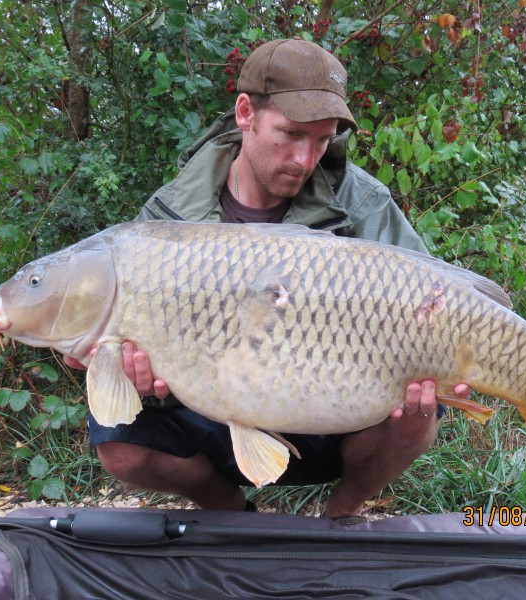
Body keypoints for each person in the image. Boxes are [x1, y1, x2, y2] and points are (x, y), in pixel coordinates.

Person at [70, 39, 469, 520]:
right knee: (119, 441)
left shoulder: (362, 201)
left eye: (322, 140)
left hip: (336, 411)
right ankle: (229, 509)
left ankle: (341, 515)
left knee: (419, 412)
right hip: (214, 410)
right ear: (245, 113)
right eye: (291, 134)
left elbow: (437, 299)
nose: (306, 159)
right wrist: (136, 373)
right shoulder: (169, 217)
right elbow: (132, 345)